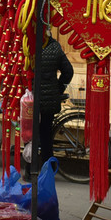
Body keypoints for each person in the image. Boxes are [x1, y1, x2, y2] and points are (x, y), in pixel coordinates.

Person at [35, 32, 75, 170]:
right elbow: (68, 71)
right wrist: (58, 88)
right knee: (46, 134)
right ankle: (48, 168)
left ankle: (31, 170)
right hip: (50, 99)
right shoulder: (55, 47)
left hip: (32, 99)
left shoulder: (30, 46)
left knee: (32, 134)